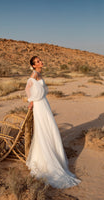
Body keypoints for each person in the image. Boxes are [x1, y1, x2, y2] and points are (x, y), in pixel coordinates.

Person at [25, 56, 81, 189]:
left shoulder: (38, 74)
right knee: (45, 129)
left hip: (43, 104)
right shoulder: (34, 75)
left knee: (48, 128)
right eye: (38, 61)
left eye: (40, 60)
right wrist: (31, 100)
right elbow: (28, 87)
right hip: (40, 105)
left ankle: (51, 155)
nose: (41, 62)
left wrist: (33, 99)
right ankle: (47, 160)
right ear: (33, 65)